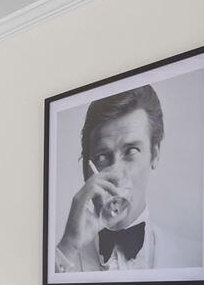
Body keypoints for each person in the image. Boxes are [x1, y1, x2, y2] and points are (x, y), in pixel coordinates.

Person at [54, 84, 177, 273]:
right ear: (87, 169)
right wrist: (68, 247)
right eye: (102, 156)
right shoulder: (61, 258)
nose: (116, 174)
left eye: (131, 151)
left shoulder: (189, 252)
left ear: (154, 155)